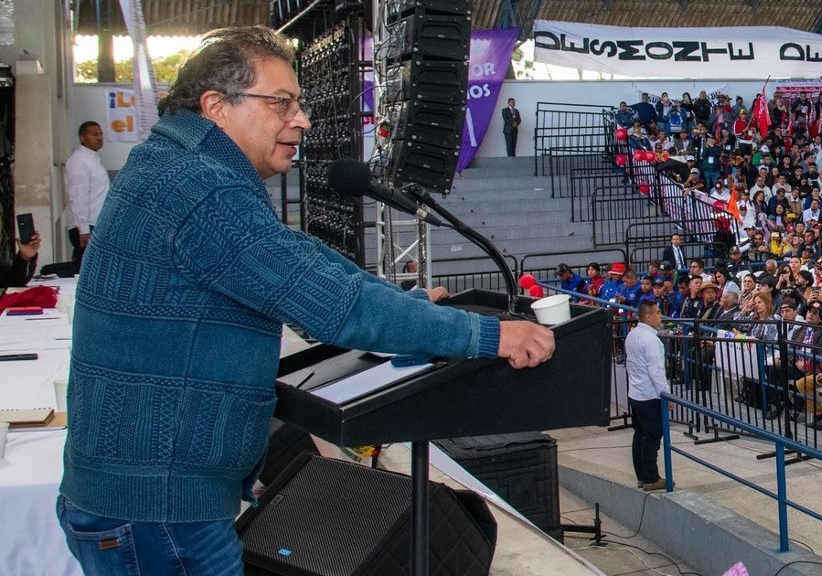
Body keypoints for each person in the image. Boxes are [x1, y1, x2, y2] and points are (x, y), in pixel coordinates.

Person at [57, 27, 556, 576]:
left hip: (146, 502)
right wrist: (487, 335)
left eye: (299, 104)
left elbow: (296, 259)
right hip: (161, 513)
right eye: (282, 103)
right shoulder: (202, 189)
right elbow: (336, 307)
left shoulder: (181, 168)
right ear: (217, 107)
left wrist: (400, 298)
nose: (302, 119)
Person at [626, 300, 670, 491]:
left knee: (640, 436)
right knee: (651, 438)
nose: (660, 316)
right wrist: (666, 395)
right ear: (649, 316)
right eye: (658, 313)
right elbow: (656, 371)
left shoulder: (632, 335)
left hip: (636, 393)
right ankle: (651, 478)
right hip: (650, 396)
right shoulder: (651, 340)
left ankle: (642, 476)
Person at [63, 120, 110, 270]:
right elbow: (78, 197)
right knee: (85, 271)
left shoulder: (93, 159)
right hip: (85, 227)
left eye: (101, 134)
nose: (99, 137)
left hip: (95, 224)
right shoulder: (79, 161)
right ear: (83, 138)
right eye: (94, 134)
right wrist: (83, 230)